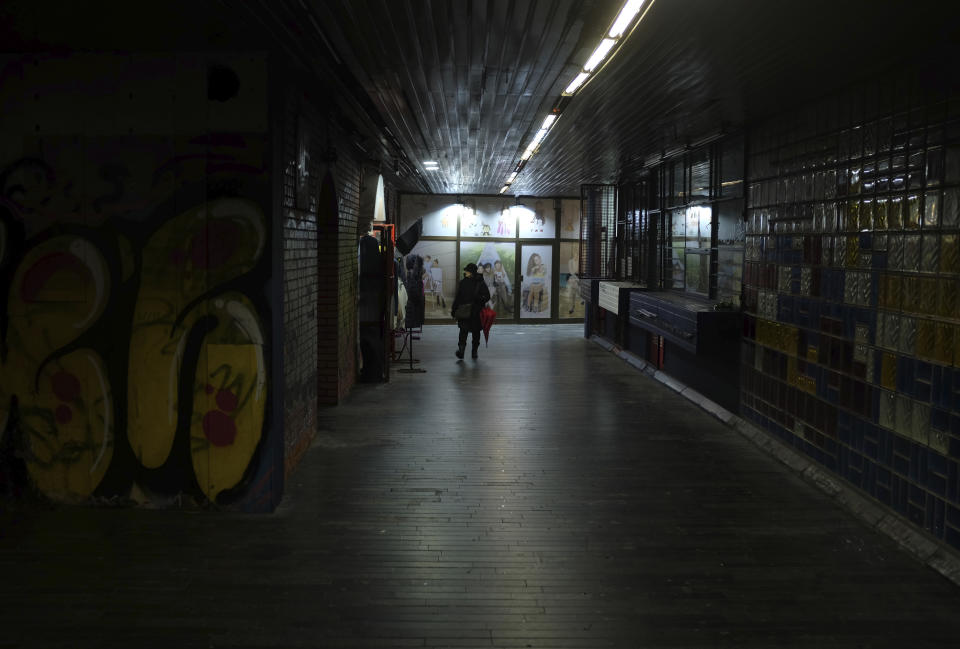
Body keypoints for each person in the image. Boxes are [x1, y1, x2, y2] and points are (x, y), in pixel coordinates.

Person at [451, 262, 490, 359]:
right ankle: (465, 351)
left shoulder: (478, 282)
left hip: (474, 312)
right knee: (469, 332)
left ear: (471, 272)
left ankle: (470, 352)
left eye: (467, 271)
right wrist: (454, 309)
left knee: (469, 332)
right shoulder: (465, 282)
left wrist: (478, 298)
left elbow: (487, 296)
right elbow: (458, 297)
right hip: (469, 312)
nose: (465, 272)